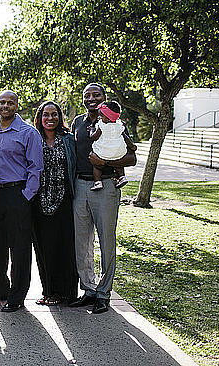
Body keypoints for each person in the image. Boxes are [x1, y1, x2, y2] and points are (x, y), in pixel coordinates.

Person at [69, 83, 136, 314]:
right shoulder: (78, 123)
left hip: (106, 186)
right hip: (80, 186)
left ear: (104, 98)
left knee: (106, 241)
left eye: (96, 95)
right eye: (87, 95)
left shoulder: (116, 123)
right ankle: (88, 289)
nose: (91, 99)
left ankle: (104, 293)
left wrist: (106, 163)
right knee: (82, 243)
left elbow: (131, 157)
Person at [0, 90, 43, 312]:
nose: (5, 106)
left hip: (18, 194)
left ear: (17, 106)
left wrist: (26, 196)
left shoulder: (29, 133)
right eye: (2, 102)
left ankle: (17, 295)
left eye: (10, 103)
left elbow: (36, 167)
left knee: (20, 248)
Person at [32, 101, 78, 305]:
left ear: (59, 117)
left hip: (65, 200)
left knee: (66, 246)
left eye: (54, 115)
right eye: (46, 115)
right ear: (40, 118)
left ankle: (68, 292)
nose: (50, 119)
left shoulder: (68, 140)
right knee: (45, 247)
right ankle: (49, 292)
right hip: (39, 202)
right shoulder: (34, 139)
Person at [89, 101, 136, 190]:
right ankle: (122, 177)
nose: (99, 117)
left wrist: (92, 129)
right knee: (118, 161)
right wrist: (132, 146)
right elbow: (126, 138)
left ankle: (98, 182)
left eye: (101, 116)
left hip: (103, 152)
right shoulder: (119, 125)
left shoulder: (101, 125)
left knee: (96, 166)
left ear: (107, 118)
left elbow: (93, 137)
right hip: (118, 151)